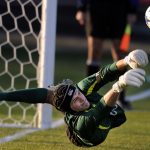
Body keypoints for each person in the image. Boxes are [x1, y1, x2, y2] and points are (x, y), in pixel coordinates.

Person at [0, 49, 148, 147]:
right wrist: (119, 86)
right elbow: (101, 110)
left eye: (77, 94)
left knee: (52, 95)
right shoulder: (80, 124)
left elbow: (104, 74)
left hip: (99, 111)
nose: (80, 98)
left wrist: (127, 60)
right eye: (75, 101)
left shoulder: (80, 91)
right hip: (88, 135)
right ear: (70, 110)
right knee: (115, 113)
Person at [75, 0, 138, 109]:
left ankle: (120, 97)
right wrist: (81, 7)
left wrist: (132, 8)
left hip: (120, 8)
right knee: (94, 52)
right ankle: (89, 96)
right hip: (96, 7)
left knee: (120, 54)